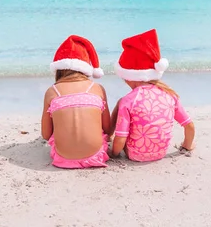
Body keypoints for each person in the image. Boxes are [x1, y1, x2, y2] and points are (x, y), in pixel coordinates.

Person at [110, 29, 195, 161]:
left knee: (122, 105)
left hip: (134, 154)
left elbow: (120, 139)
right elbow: (189, 126)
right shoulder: (169, 94)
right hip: (160, 153)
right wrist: (186, 145)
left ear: (129, 76)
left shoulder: (128, 100)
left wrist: (114, 154)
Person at [41, 35, 111, 168]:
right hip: (95, 155)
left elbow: (46, 134)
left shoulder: (52, 91)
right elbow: (107, 128)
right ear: (86, 67)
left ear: (58, 69)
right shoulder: (97, 89)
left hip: (63, 157)